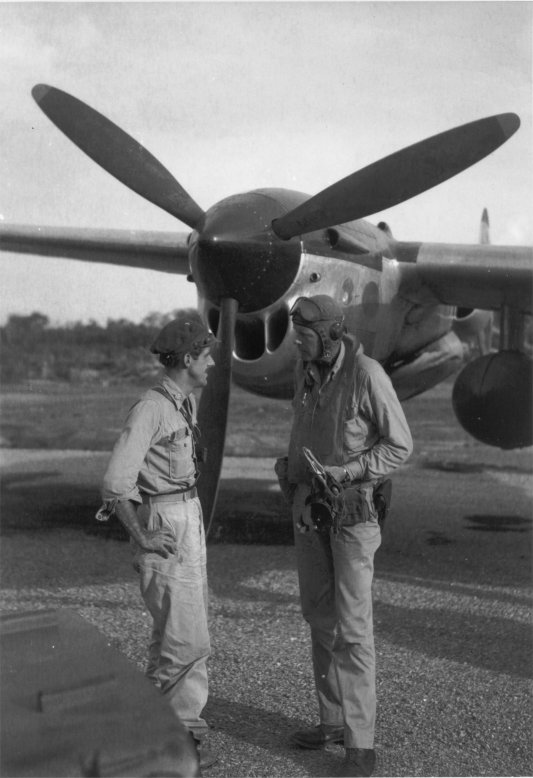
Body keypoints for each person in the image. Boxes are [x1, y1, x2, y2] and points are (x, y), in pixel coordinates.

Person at [275, 294, 413, 778]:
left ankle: (360, 744)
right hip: (310, 510)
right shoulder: (305, 368)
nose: (297, 341)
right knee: (319, 617)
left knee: (353, 630)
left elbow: (400, 444)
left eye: (306, 334)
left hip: (353, 514)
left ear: (333, 335)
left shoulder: (368, 375)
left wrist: (351, 471)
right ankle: (331, 720)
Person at [98, 310, 217, 770]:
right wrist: (142, 537)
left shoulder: (180, 404)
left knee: (180, 635)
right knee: (184, 641)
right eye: (205, 356)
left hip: (186, 513)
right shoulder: (152, 408)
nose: (210, 364)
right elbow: (114, 483)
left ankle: (158, 730)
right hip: (167, 519)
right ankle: (172, 741)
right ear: (188, 358)